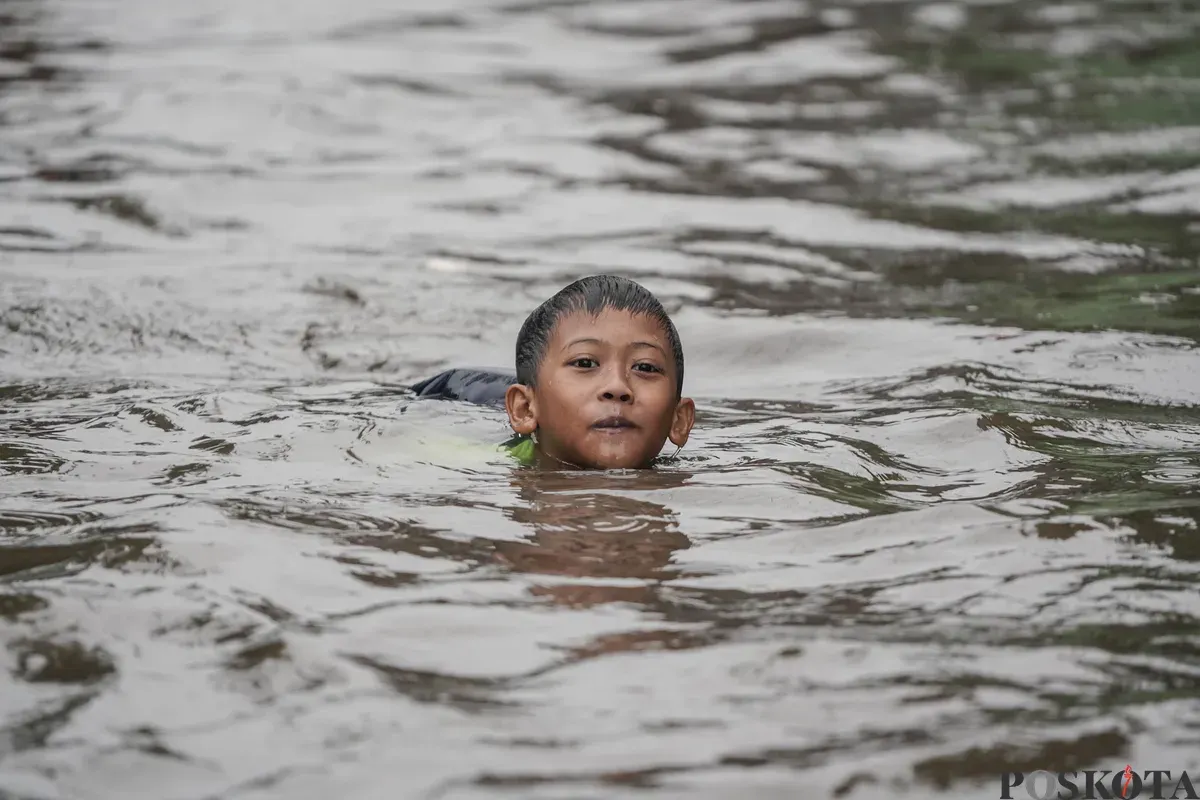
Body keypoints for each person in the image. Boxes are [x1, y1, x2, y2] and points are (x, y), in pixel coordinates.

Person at [409, 275, 695, 470]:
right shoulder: (473, 465)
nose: (618, 386)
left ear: (678, 420)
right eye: (585, 363)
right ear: (523, 409)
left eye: (644, 367)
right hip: (452, 394)